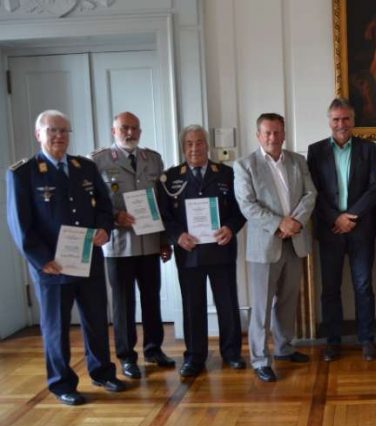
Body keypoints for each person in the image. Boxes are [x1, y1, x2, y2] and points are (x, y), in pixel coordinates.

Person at [6, 110, 125, 406]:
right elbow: (20, 223)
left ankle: (102, 372)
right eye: (52, 131)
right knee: (56, 327)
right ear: (39, 134)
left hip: (89, 260)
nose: (59, 136)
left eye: (64, 131)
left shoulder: (84, 167)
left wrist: (104, 229)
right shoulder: (23, 173)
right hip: (52, 266)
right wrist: (41, 259)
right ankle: (61, 383)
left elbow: (104, 207)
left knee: (97, 320)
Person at [89, 112, 175, 379]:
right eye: (124, 128)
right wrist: (115, 217)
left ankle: (153, 349)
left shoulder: (153, 159)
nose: (130, 132)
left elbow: (161, 203)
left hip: (149, 241)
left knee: (152, 298)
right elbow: (92, 202)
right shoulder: (97, 161)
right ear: (113, 130)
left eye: (135, 128)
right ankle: (127, 356)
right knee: (123, 302)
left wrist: (164, 240)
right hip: (118, 244)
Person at [158, 125, 246, 378]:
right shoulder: (170, 178)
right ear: (183, 147)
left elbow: (241, 209)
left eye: (199, 142)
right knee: (192, 306)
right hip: (189, 251)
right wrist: (177, 237)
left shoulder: (227, 174)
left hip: (221, 248)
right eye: (189, 143)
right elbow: (165, 215)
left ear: (207, 146)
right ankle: (195, 357)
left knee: (227, 304)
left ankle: (231, 353)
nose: (194, 148)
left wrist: (230, 227)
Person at [233, 113, 317, 382]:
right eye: (267, 133)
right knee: (261, 306)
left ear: (284, 134)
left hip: (294, 241)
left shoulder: (297, 161)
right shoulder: (245, 165)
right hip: (265, 245)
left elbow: (310, 194)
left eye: (277, 132)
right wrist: (280, 223)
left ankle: (283, 348)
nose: (272, 137)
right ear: (258, 135)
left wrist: (295, 223)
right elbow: (247, 205)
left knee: (288, 299)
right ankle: (260, 359)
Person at [307, 98, 376, 362]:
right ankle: (333, 341)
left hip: (361, 229)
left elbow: (375, 188)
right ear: (329, 121)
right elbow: (312, 190)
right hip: (330, 230)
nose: (341, 124)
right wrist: (335, 218)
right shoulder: (315, 151)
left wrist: (351, 216)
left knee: (363, 286)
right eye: (336, 119)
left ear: (353, 120)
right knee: (330, 288)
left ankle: (366, 339)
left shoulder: (368, 149)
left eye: (346, 118)